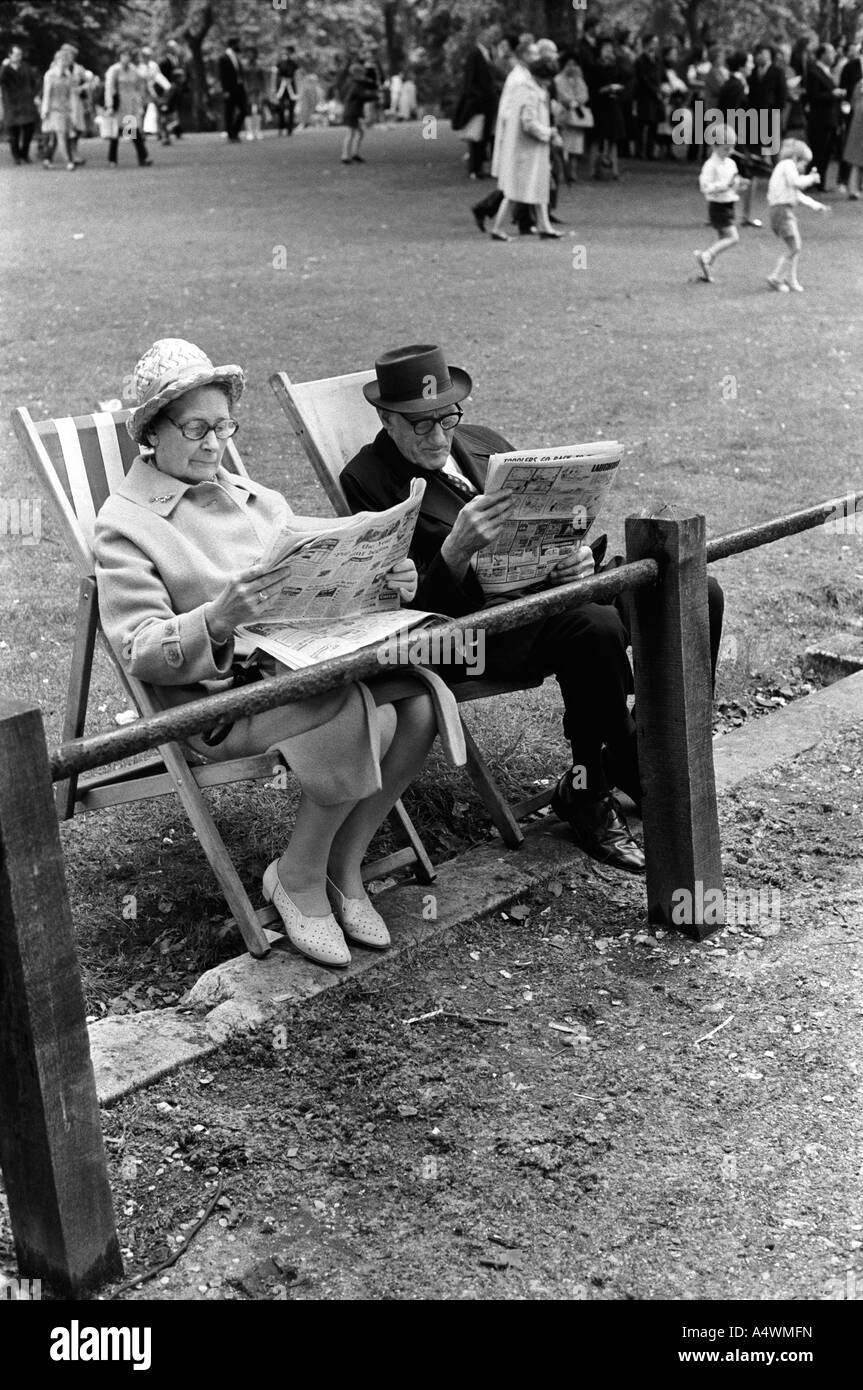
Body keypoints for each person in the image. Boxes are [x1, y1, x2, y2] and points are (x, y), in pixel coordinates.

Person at [93, 340, 462, 968]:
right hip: (214, 706)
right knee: (356, 706)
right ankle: (295, 876)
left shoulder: (254, 497)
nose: (213, 444)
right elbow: (141, 649)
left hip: (296, 672)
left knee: (421, 703)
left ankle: (343, 867)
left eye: (223, 427)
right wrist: (216, 618)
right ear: (151, 433)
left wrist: (384, 578)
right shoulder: (125, 524)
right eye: (195, 429)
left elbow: (317, 574)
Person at [341, 345, 727, 875]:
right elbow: (408, 615)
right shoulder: (366, 479)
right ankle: (596, 788)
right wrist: (454, 554)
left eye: (447, 418)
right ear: (386, 418)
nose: (437, 436)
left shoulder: (485, 444)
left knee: (696, 591)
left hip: (547, 594)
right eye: (419, 425)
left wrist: (574, 560)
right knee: (592, 626)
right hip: (471, 634)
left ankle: (633, 760)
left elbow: (556, 524)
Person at [488, 40, 562, 240]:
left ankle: (545, 226)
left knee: (538, 187)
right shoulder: (528, 92)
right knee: (515, 192)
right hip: (526, 149)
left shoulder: (535, 90)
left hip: (533, 149)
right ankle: (497, 228)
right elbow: (528, 123)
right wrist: (549, 132)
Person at [765, 138, 830, 290]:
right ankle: (776, 277)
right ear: (796, 158)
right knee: (795, 248)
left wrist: (816, 205)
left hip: (782, 210)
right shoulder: (787, 165)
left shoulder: (784, 169)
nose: (804, 168)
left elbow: (797, 194)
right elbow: (797, 183)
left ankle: (791, 279)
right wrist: (811, 179)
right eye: (804, 164)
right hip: (781, 210)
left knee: (795, 247)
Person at [693, 124, 748, 282]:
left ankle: (707, 271)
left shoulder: (730, 163)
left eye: (731, 148)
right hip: (718, 206)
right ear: (714, 146)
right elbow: (705, 187)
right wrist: (723, 186)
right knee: (733, 237)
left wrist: (739, 184)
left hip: (728, 204)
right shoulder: (710, 166)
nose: (730, 152)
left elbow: (733, 182)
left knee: (722, 238)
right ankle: (706, 256)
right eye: (726, 148)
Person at [452, 25, 498, 179]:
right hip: (480, 102)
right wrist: (476, 98)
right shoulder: (475, 55)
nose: (491, 39)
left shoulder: (488, 54)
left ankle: (478, 167)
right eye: (487, 36)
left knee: (484, 136)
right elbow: (471, 79)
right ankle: (474, 168)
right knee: (476, 136)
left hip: (488, 102)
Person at [806, 43, 844, 190]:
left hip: (831, 118)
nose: (834, 55)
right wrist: (832, 94)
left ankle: (820, 182)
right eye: (831, 52)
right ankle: (810, 180)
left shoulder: (828, 71)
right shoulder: (814, 72)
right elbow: (813, 96)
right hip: (820, 119)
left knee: (827, 152)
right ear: (822, 55)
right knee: (818, 151)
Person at [588, 36, 628, 179]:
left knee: (613, 139)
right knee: (596, 139)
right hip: (599, 106)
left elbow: (624, 81)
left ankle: (614, 170)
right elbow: (592, 87)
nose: (608, 53)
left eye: (610, 50)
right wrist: (604, 89)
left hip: (613, 105)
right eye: (606, 50)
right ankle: (593, 170)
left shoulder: (616, 67)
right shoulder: (594, 67)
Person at [103, 49, 151, 168]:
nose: (126, 58)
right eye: (124, 55)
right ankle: (112, 159)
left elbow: (139, 85)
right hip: (118, 104)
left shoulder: (133, 70)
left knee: (133, 131)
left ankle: (142, 157)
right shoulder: (114, 70)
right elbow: (109, 88)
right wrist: (109, 105)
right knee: (115, 133)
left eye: (128, 56)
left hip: (130, 104)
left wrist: (139, 103)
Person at [554, 51, 591, 182]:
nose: (571, 67)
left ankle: (573, 171)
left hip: (578, 117)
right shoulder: (558, 79)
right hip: (564, 114)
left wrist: (578, 100)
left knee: (576, 146)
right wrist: (570, 101)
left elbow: (584, 94)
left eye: (574, 64)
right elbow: (560, 94)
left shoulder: (579, 80)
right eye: (568, 64)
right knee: (563, 145)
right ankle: (562, 171)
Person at [0, 44, 39, 164]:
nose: (18, 57)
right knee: (14, 132)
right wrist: (4, 66)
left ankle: (24, 153)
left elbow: (35, 81)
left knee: (29, 130)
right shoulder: (5, 68)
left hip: (26, 103)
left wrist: (32, 94)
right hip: (11, 104)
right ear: (10, 55)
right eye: (16, 54)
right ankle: (16, 155)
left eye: (20, 54)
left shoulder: (25, 67)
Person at [40, 50, 76, 170]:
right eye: (61, 60)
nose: (63, 62)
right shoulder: (50, 75)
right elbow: (46, 94)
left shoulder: (68, 75)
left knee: (54, 138)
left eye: (65, 60)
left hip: (65, 110)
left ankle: (47, 159)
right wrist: (44, 110)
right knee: (61, 135)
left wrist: (72, 110)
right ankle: (69, 161)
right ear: (56, 61)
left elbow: (70, 93)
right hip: (54, 110)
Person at [634, 33, 664, 159]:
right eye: (654, 42)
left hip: (656, 96)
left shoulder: (657, 59)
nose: (656, 45)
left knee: (653, 125)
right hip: (644, 96)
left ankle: (650, 152)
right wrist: (655, 91)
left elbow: (661, 75)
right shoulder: (640, 60)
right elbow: (643, 80)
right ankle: (639, 151)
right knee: (641, 125)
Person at [341, 61, 377, 162]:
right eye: (362, 74)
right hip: (351, 113)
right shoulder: (355, 85)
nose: (363, 76)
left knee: (360, 132)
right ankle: (345, 155)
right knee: (351, 133)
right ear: (356, 74)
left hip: (353, 112)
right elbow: (362, 95)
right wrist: (374, 96)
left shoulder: (355, 84)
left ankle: (354, 153)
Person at [218, 36, 246, 143]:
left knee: (244, 110)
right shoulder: (224, 58)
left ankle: (234, 131)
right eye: (238, 44)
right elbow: (222, 76)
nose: (240, 46)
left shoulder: (236, 56)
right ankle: (231, 135)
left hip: (239, 88)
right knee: (229, 112)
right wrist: (225, 90)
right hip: (229, 89)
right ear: (233, 44)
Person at [842, 73, 863, 198]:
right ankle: (854, 188)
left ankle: (853, 187)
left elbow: (853, 103)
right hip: (859, 125)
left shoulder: (859, 84)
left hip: (857, 123)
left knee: (856, 159)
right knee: (857, 159)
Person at [243, 45, 266, 139]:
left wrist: (264, 91)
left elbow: (262, 79)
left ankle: (258, 130)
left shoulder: (259, 65)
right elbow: (243, 79)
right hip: (248, 91)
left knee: (258, 110)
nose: (250, 55)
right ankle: (249, 131)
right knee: (248, 111)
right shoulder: (244, 65)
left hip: (258, 90)